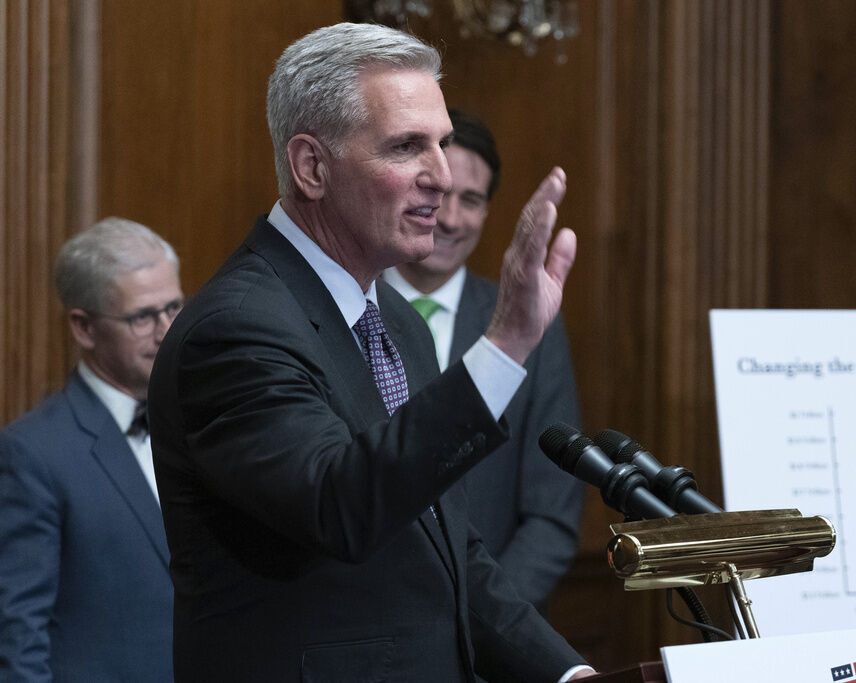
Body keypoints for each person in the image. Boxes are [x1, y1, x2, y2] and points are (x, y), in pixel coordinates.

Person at [148, 22, 594, 682]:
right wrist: (505, 343)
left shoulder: (397, 325)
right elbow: (341, 504)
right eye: (408, 146)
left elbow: (446, 548)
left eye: (441, 144)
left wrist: (567, 673)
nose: (441, 178)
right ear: (312, 167)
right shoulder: (236, 329)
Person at [382, 108, 583, 611]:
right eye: (441, 196)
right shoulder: (345, 311)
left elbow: (551, 515)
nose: (450, 219)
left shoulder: (532, 324)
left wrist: (478, 628)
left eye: (470, 201)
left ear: (487, 212)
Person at [0, 217, 180, 681]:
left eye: (174, 308)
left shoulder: (203, 422)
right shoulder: (33, 454)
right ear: (83, 328)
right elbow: (19, 636)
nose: (166, 331)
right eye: (143, 317)